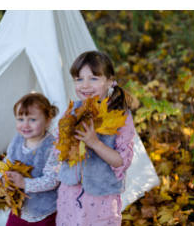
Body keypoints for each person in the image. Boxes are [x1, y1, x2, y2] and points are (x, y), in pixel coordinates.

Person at [8, 51, 138, 225]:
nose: (85, 85)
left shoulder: (121, 116)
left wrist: (95, 143)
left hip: (100, 201)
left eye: (93, 78)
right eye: (79, 79)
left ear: (109, 81)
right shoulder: (71, 113)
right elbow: (58, 154)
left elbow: (122, 161)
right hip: (69, 196)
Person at [3, 93, 59, 226]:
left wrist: (25, 184)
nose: (25, 125)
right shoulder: (17, 140)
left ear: (47, 121)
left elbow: (52, 179)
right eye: (20, 119)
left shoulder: (52, 147)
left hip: (44, 210)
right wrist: (3, 176)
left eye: (32, 120)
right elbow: (7, 162)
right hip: (19, 207)